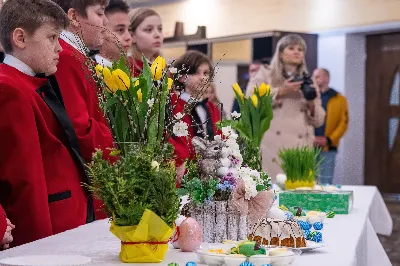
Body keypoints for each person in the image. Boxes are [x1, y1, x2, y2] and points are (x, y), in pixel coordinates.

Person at [0, 0, 94, 246]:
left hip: (66, 223)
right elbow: (25, 180)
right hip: (49, 234)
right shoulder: (10, 88)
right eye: (51, 38)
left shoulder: (27, 83)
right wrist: (38, 248)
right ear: (20, 38)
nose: (60, 48)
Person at [246, 34, 325, 180]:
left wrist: (310, 104)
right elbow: (250, 101)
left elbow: (319, 120)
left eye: (300, 49)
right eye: (291, 48)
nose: (297, 52)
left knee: (300, 193)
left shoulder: (309, 80)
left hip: (301, 147)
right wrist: (281, 92)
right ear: (281, 53)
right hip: (273, 145)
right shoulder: (265, 74)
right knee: (274, 192)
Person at [170, 50, 222, 185]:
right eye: (196, 73)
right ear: (182, 77)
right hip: (185, 176)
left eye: (206, 73)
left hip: (212, 175)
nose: (203, 78)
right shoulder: (175, 106)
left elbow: (220, 136)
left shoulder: (211, 107)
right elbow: (175, 145)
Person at [312, 68, 349, 184]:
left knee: (325, 182)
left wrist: (329, 139)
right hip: (309, 145)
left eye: (317, 77)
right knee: (308, 181)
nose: (314, 79)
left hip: (328, 146)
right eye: (314, 76)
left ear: (326, 78)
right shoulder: (309, 98)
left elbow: (343, 123)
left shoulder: (339, 99)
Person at [95, 0, 132, 68]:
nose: (128, 37)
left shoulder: (130, 70)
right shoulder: (91, 71)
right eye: (120, 30)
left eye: (129, 29)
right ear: (100, 32)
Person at [128, 8, 163, 77]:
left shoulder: (161, 65)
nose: (157, 35)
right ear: (132, 36)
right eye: (149, 30)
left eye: (160, 29)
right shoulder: (128, 68)